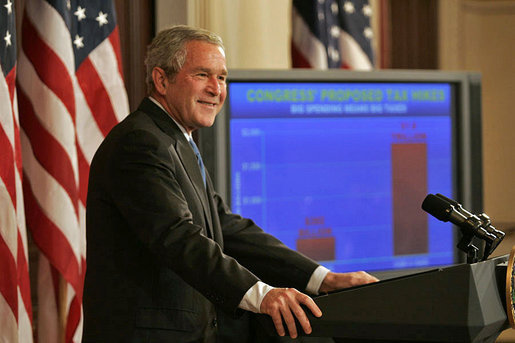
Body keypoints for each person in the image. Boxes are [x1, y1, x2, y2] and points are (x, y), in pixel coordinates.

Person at [82, 25, 378, 343]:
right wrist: (261, 295)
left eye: (221, 77)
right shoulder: (140, 142)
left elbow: (226, 228)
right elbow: (178, 237)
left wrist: (322, 278)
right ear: (161, 80)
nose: (216, 89)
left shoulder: (175, 139)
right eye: (202, 75)